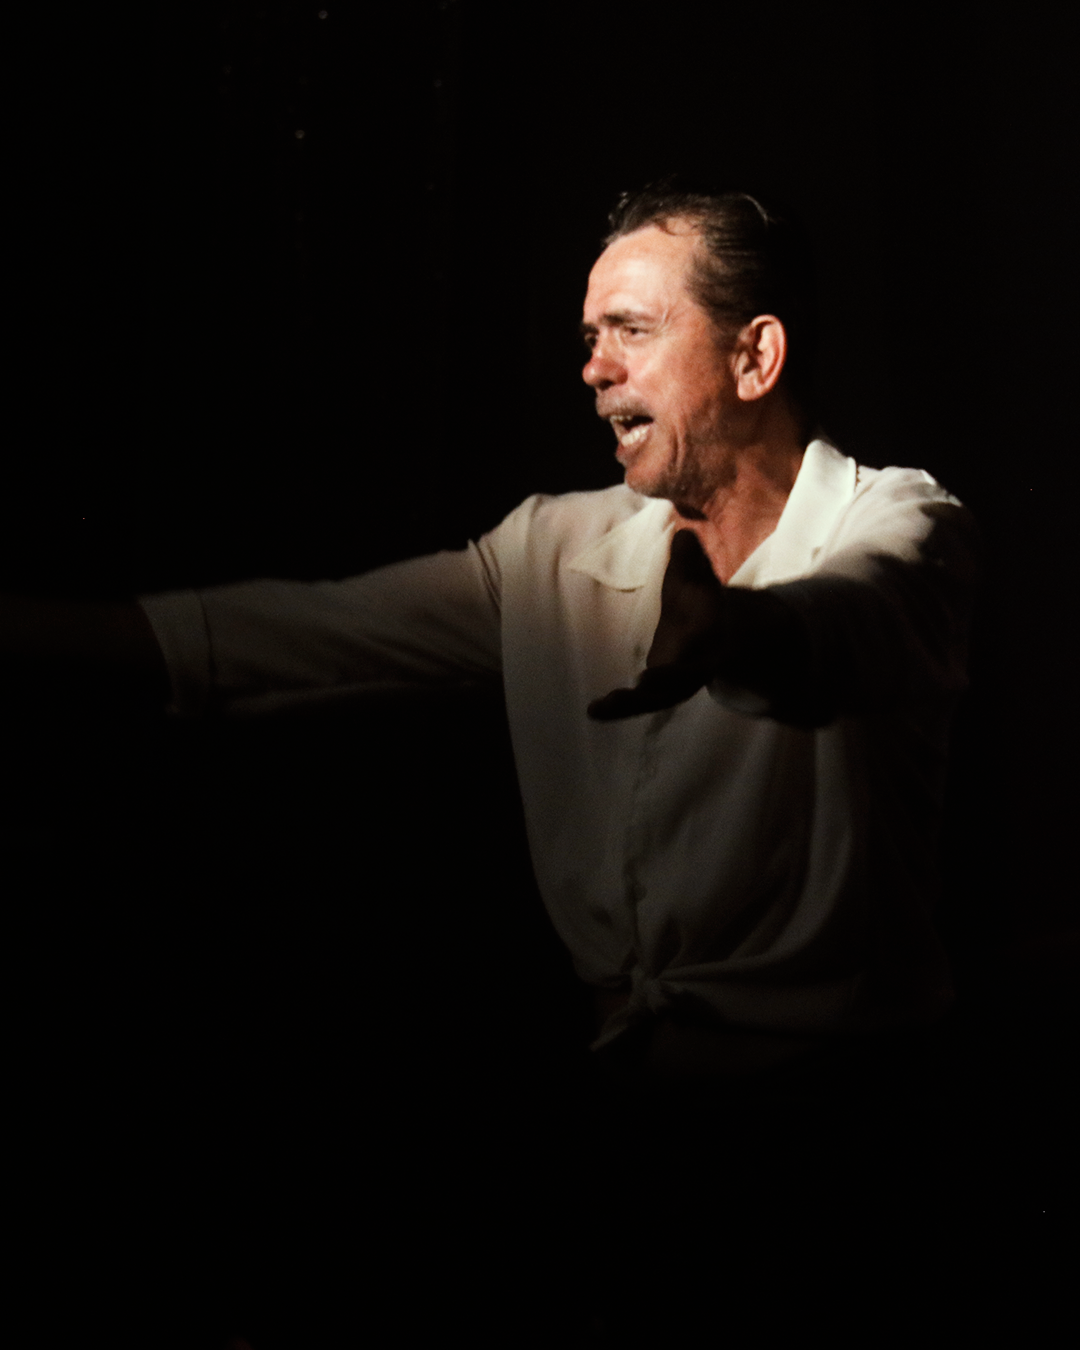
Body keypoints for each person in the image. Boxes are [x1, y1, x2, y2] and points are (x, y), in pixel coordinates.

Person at [1, 184, 977, 1083]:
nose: (594, 369)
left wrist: (734, 632)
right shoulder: (550, 549)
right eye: (591, 337)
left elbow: (856, 616)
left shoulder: (899, 519)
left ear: (755, 357)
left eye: (631, 331)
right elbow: (294, 634)